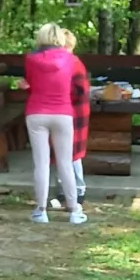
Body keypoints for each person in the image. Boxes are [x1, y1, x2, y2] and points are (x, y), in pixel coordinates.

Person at [21, 23, 86, 225]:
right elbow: (77, 87)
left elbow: (31, 83)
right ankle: (74, 210)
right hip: (63, 112)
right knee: (65, 163)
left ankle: (41, 210)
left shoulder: (30, 59)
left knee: (40, 164)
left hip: (36, 113)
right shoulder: (72, 59)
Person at [53, 29, 90, 209]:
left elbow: (79, 91)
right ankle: (63, 191)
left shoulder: (74, 64)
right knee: (61, 152)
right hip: (63, 112)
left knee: (72, 154)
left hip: (74, 114)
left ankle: (78, 190)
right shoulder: (63, 63)